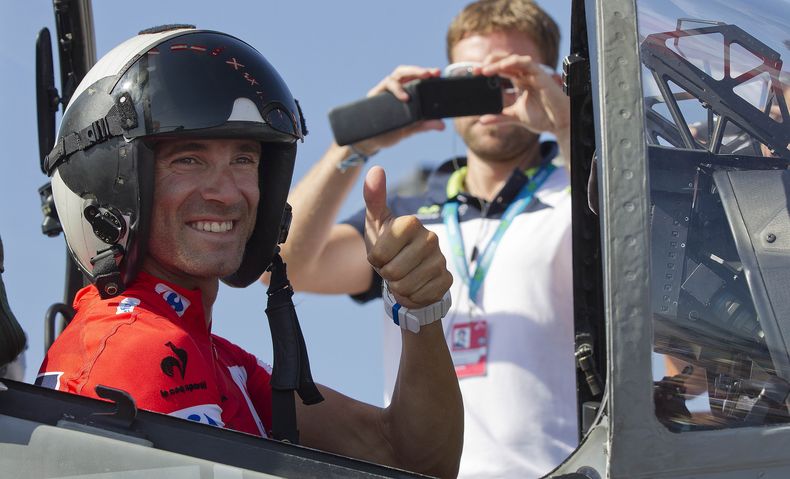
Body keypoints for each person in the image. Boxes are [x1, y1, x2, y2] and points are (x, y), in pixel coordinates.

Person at [35, 25, 462, 478]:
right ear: (112, 184)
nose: (226, 193)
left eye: (244, 159)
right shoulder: (141, 350)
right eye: (188, 159)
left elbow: (412, 459)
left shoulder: (209, 355)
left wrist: (421, 309)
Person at [273, 0, 577, 476]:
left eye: (511, 77)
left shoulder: (582, 188)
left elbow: (636, 240)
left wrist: (566, 126)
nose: (492, 99)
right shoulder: (408, 211)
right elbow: (290, 264)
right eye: (471, 81)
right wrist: (357, 143)